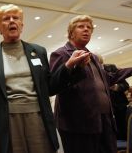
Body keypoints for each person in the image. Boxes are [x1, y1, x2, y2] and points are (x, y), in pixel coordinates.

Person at [0, 4, 91, 153]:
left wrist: (68, 66)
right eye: (6, 19)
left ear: (21, 25)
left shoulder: (38, 51)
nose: (11, 21)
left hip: (38, 118)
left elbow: (50, 87)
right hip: (7, 121)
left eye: (16, 18)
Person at [49, 15, 132, 153]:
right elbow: (55, 84)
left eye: (89, 27)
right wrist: (73, 66)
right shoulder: (61, 54)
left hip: (104, 121)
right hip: (78, 124)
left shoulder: (92, 56)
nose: (86, 30)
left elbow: (108, 78)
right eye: (81, 26)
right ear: (71, 32)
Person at [104, 64, 130, 140]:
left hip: (120, 106)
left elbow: (126, 86)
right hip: (106, 109)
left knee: (124, 129)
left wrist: (116, 87)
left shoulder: (111, 68)